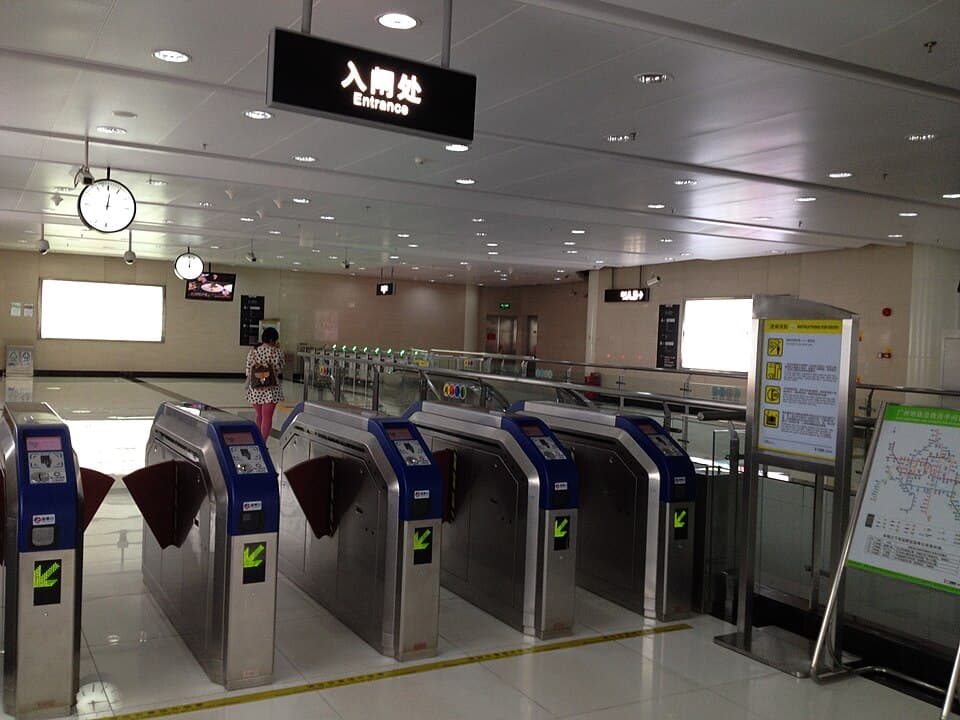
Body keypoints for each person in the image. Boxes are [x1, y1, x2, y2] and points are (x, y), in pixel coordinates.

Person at [245, 327, 284, 440]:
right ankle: (263, 442)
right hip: (271, 390)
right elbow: (279, 370)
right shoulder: (277, 352)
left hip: (255, 389)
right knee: (267, 417)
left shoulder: (252, 352)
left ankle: (257, 440)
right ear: (272, 340)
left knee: (259, 415)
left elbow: (248, 371)